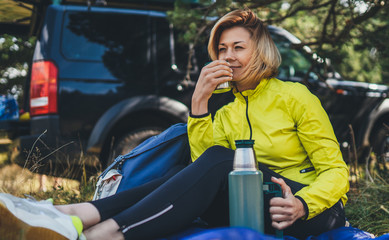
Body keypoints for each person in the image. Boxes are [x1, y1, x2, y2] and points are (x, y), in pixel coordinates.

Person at [0, 9, 349, 240]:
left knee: (221, 159)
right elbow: (200, 171)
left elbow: (336, 172)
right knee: (183, 170)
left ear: (261, 52)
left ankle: (105, 234)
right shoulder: (225, 109)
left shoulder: (294, 96)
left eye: (239, 47)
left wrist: (302, 204)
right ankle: (67, 214)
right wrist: (199, 103)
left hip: (305, 209)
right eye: (222, 48)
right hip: (249, 204)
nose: (228, 56)